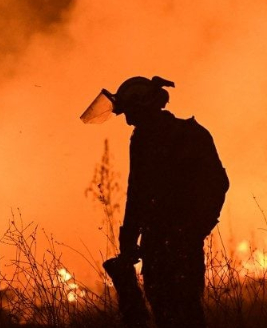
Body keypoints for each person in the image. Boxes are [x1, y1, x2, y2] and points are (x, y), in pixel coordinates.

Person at [83, 76, 229, 328]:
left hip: (165, 243)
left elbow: (137, 194)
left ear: (143, 106)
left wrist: (129, 241)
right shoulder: (180, 135)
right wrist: (195, 231)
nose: (128, 119)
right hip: (175, 244)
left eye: (130, 112)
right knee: (185, 312)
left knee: (172, 312)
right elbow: (218, 185)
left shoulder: (153, 139)